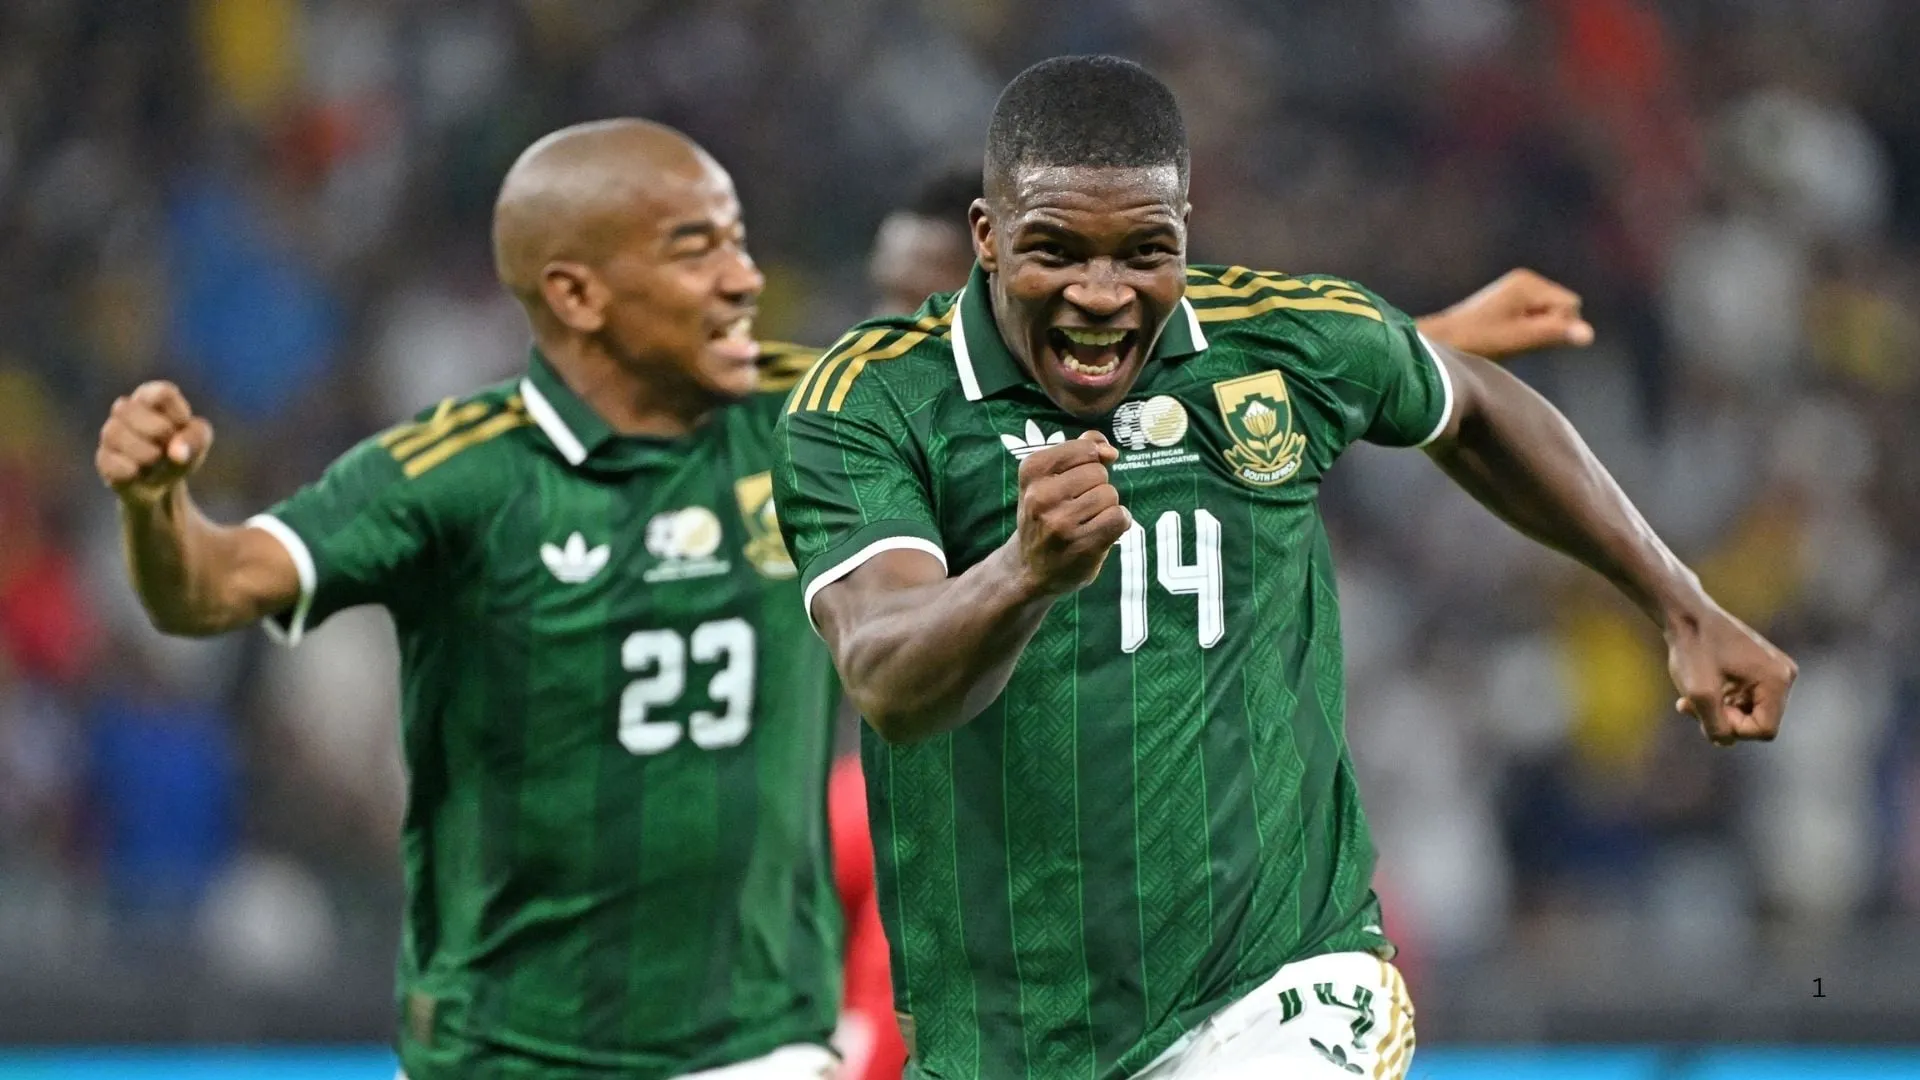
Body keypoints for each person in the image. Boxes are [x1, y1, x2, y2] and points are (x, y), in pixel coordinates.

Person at [773, 56, 1795, 1080]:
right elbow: (887, 678)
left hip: (1278, 993)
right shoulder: (867, 406)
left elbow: (1470, 404)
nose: (1101, 294)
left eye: (1144, 250)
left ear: (1186, 227)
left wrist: (1679, 603)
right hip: (1011, 1044)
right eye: (1057, 252)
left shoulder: (1277, 340)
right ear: (988, 239)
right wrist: (1023, 573)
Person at [96, 120, 843, 1080]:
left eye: (736, 241)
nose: (744, 278)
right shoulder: (454, 476)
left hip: (759, 1046)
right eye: (696, 249)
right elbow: (212, 589)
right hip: (507, 1053)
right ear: (578, 294)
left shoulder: (820, 415)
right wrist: (157, 506)